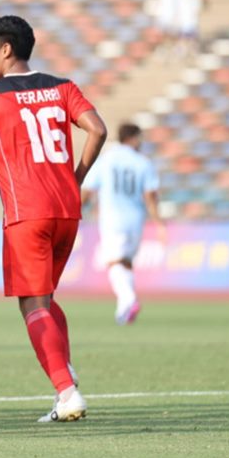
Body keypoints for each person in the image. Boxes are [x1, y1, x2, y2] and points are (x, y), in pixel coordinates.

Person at [0, 15, 107, 423]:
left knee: (32, 302)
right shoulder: (62, 86)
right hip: (67, 209)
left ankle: (66, 391)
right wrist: (77, 177)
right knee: (45, 298)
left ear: (6, 49)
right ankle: (64, 376)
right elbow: (98, 130)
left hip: (27, 212)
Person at [82, 123, 165, 325]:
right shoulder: (143, 162)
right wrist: (158, 222)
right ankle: (123, 310)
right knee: (125, 261)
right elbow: (151, 195)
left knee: (113, 261)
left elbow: (88, 188)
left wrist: (76, 210)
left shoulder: (106, 160)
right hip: (136, 219)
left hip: (112, 218)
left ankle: (128, 299)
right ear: (133, 138)